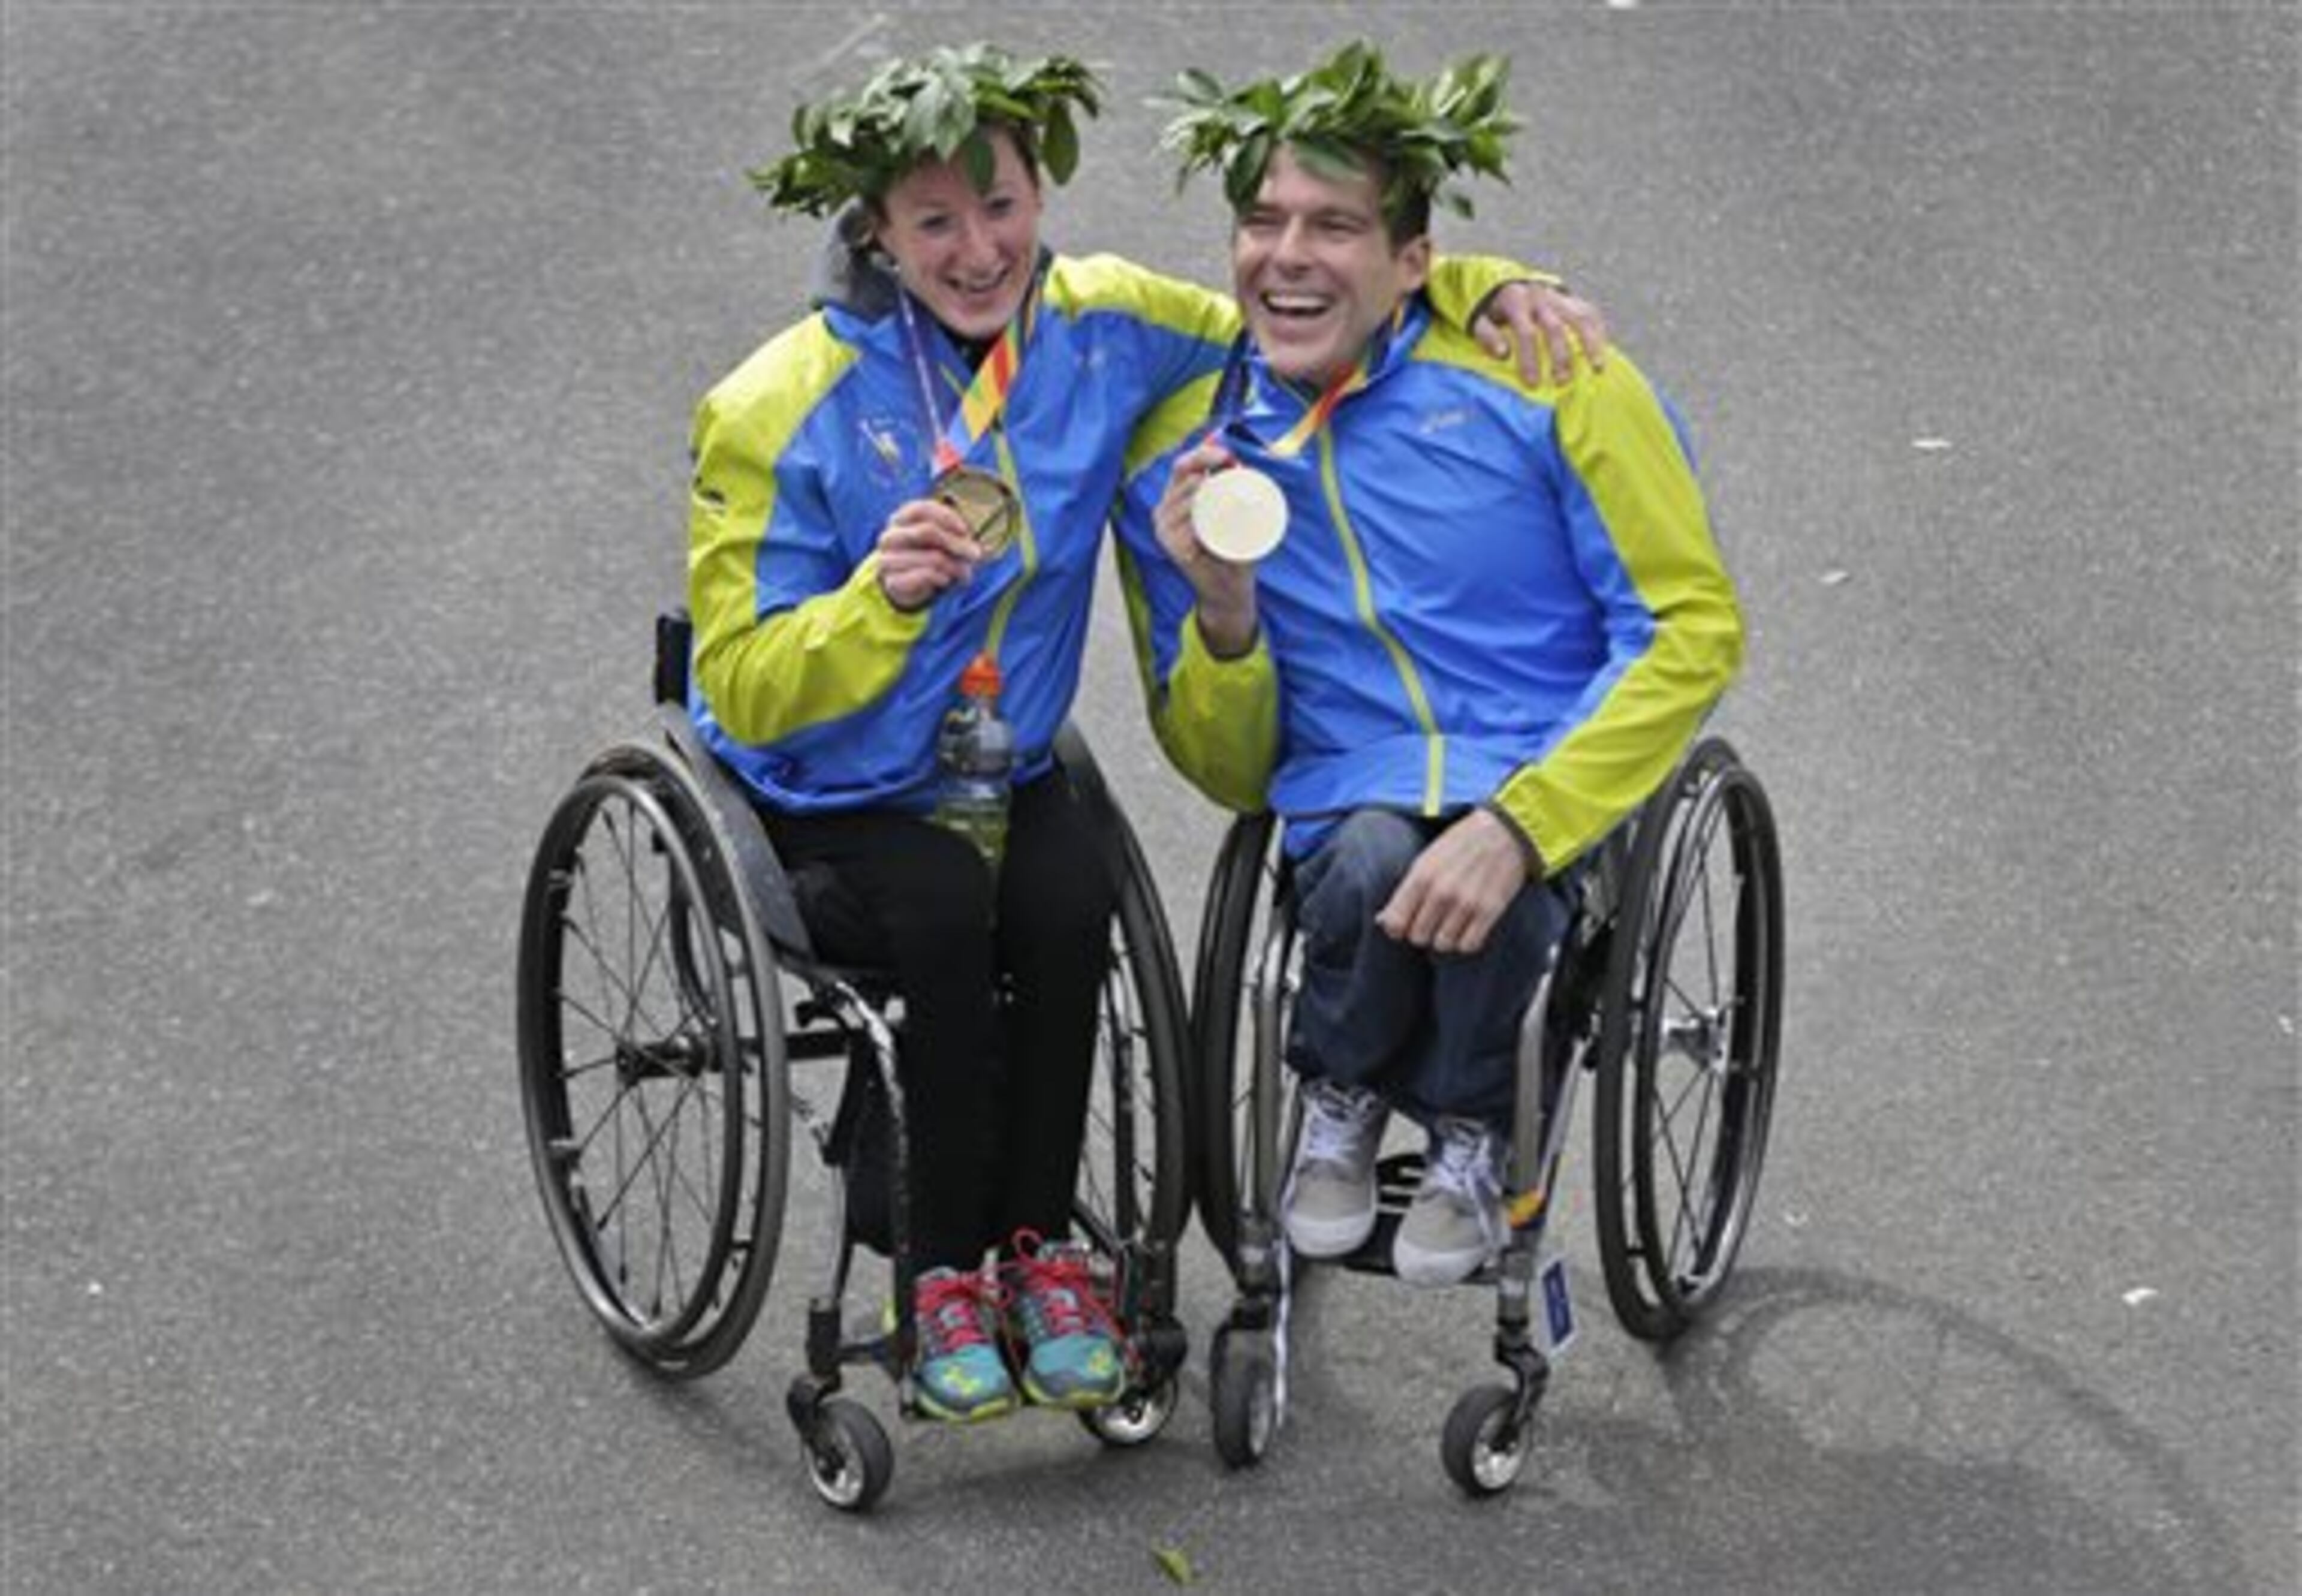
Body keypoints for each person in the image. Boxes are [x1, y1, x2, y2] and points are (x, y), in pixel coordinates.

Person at [688, 43, 1607, 1422]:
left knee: (1065, 903)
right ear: (872, 228)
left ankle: (1043, 1256)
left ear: (1042, 194)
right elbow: (744, 681)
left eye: (1001, 206)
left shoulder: (1106, 323)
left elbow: (1297, 310)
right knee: (946, 907)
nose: (979, 247)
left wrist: (1483, 281)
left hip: (1011, 762)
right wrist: (877, 604)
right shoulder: (774, 405)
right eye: (934, 221)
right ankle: (936, 1270)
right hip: (830, 781)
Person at [1117, 42, 1743, 1288]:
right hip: (1350, 793)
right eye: (1261, 220)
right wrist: (1224, 615)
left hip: (1545, 774)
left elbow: (1689, 632)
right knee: (1365, 858)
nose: (1287, 255)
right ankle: (1339, 1098)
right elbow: (1229, 773)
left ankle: (1472, 1131)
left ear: (1415, 264)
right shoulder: (1181, 457)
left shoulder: (1553, 378)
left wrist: (1521, 823)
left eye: (1335, 226)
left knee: (1492, 887)